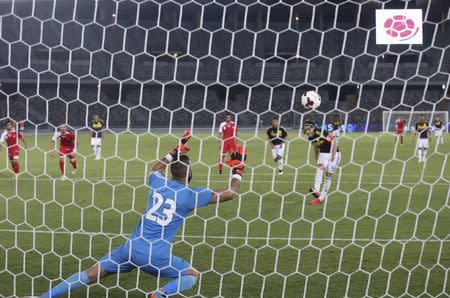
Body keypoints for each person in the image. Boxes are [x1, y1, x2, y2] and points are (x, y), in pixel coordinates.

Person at [40, 129, 248, 298]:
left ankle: (43, 297)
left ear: (171, 172)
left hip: (130, 248)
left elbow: (154, 169)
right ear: (189, 173)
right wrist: (238, 169)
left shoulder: (157, 183)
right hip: (155, 255)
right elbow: (229, 193)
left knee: (90, 274)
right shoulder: (191, 195)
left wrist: (174, 151)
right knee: (192, 275)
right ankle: (159, 295)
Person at [303, 121, 341, 205]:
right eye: (306, 130)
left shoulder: (320, 132)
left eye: (309, 129)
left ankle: (321, 198)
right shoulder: (310, 138)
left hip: (334, 153)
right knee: (319, 168)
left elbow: (333, 141)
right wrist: (317, 160)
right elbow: (317, 149)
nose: (307, 132)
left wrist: (334, 155)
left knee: (328, 175)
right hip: (323, 153)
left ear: (313, 128)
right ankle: (316, 190)